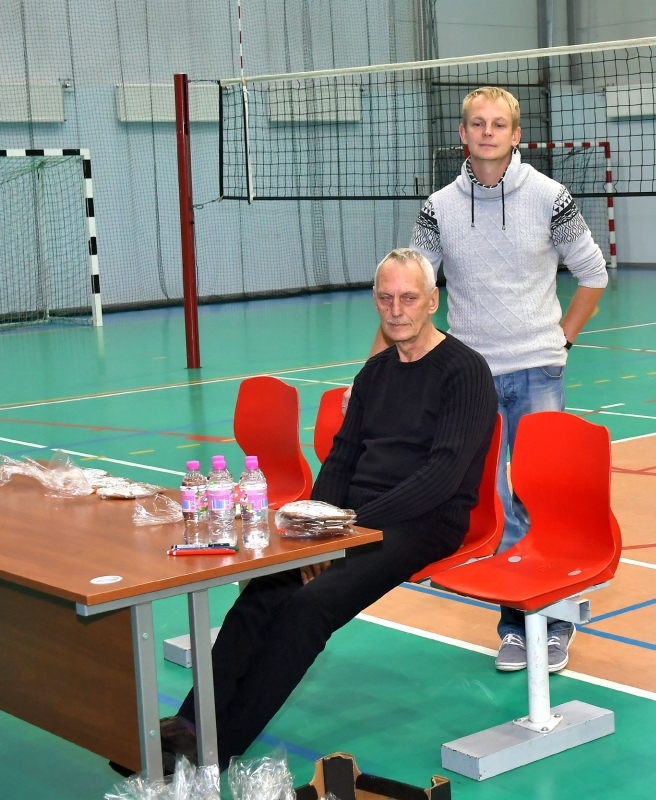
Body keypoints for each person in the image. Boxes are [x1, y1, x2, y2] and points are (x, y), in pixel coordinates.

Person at [157, 249, 497, 771]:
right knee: (265, 588)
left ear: (433, 301)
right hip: (351, 519)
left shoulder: (465, 371)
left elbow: (441, 477)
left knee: (309, 607)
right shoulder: (376, 371)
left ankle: (218, 749)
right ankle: (188, 725)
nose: (396, 310)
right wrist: (319, 521)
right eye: (385, 298)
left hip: (426, 521)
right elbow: (341, 457)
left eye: (408, 298)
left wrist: (349, 531)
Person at [359, 86, 609, 674]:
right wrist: (371, 376)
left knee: (541, 498)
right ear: (463, 135)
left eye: (499, 124)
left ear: (516, 135)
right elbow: (409, 290)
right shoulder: (438, 208)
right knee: (491, 503)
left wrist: (562, 340)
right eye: (477, 123)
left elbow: (592, 274)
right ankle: (515, 623)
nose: (488, 132)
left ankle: (552, 621)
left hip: (537, 369)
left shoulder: (551, 197)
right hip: (467, 377)